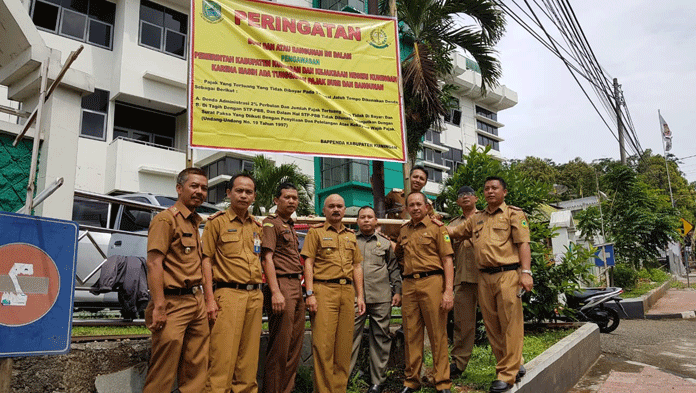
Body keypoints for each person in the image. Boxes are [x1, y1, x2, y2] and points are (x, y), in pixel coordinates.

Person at [448, 176, 533, 393]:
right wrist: (430, 223)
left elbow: (523, 243)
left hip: (508, 275)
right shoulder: (477, 218)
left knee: (510, 325)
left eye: (494, 188)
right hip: (483, 277)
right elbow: (453, 232)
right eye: (486, 189)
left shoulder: (514, 214)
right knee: (493, 326)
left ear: (504, 192)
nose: (490, 192)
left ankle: (507, 374)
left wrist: (526, 272)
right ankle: (508, 366)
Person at [143, 167, 210, 393]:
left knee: (197, 366)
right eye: (194, 186)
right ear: (179, 188)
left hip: (196, 300)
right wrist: (159, 305)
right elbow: (154, 263)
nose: (199, 191)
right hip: (172, 303)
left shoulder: (193, 222)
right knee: (163, 370)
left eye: (204, 188)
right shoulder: (165, 220)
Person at [202, 173, 264, 393]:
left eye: (249, 192)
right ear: (228, 193)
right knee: (222, 358)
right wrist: (209, 298)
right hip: (228, 295)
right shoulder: (217, 223)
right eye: (239, 191)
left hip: (255, 296)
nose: (244, 195)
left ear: (254, 196)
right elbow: (206, 260)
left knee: (248, 360)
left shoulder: (257, 225)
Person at [301, 194, 366, 393]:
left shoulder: (350, 235)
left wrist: (360, 296)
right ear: (324, 210)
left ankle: (339, 389)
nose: (336, 209)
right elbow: (308, 263)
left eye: (339, 206)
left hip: (346, 292)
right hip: (323, 291)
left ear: (345, 210)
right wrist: (310, 293)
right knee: (323, 346)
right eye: (331, 206)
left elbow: (356, 266)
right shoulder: (316, 233)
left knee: (343, 348)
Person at [395, 192, 454, 393]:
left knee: (438, 333)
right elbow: (400, 256)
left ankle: (442, 382)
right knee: (411, 334)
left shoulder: (438, 228)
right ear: (407, 208)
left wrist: (448, 291)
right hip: (410, 285)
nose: (415, 208)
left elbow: (447, 261)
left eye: (419, 204)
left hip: (433, 282)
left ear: (427, 207)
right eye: (411, 205)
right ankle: (411, 381)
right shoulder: (403, 230)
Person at [350, 206, 402, 393]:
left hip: (381, 297)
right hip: (356, 298)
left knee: (380, 339)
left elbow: (394, 269)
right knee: (350, 338)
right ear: (357, 221)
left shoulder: (385, 243)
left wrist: (398, 291)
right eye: (362, 217)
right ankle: (343, 378)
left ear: (376, 221)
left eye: (369, 217)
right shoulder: (350, 241)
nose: (365, 220)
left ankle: (377, 382)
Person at [261, 183, 305, 393]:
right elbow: (266, 258)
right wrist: (276, 291)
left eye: (295, 198)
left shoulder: (290, 226)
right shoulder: (271, 224)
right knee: (280, 348)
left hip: (297, 285)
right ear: (276, 200)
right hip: (282, 285)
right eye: (287, 197)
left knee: (294, 348)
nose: (292, 201)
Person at [448, 186, 480, 379]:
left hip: (487, 277)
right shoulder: (453, 224)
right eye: (460, 196)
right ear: (458, 202)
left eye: (468, 194)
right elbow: (447, 255)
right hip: (462, 279)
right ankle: (458, 364)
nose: (465, 197)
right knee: (462, 324)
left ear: (476, 198)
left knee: (497, 322)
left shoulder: (486, 218)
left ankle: (510, 362)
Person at [383, 165, 433, 242]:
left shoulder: (427, 205)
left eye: (422, 179)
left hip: (414, 244)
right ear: (409, 178)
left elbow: (432, 225)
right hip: (391, 241)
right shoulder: (395, 195)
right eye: (415, 177)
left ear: (425, 183)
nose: (418, 180)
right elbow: (379, 211)